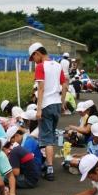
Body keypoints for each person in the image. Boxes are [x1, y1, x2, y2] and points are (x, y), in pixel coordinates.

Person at [29, 42, 68, 181]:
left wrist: (38, 109)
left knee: (47, 139)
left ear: (37, 53)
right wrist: (62, 102)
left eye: (33, 58)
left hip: (45, 105)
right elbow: (64, 84)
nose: (33, 61)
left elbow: (41, 89)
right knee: (50, 135)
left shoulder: (40, 66)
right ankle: (47, 163)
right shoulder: (58, 65)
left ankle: (50, 169)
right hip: (57, 104)